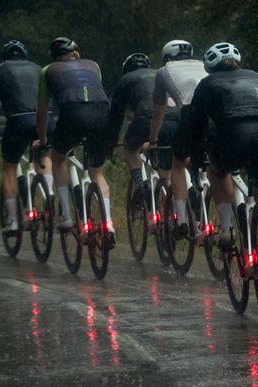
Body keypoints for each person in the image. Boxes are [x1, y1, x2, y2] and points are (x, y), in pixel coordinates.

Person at [190, 42, 258, 297]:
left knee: (218, 171)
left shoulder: (207, 84)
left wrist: (195, 153)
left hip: (233, 134)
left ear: (210, 68)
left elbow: (196, 126)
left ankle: (226, 229)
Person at [33, 37, 114, 243]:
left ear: (54, 57)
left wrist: (42, 139)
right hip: (102, 113)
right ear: (77, 53)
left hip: (72, 113)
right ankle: (109, 225)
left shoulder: (48, 70)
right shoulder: (94, 66)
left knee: (58, 159)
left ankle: (67, 216)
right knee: (96, 172)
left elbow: (42, 112)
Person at [0, 40, 55, 234]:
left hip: (18, 121)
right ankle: (49, 194)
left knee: (9, 167)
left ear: (4, 58)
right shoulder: (39, 69)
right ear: (24, 57)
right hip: (44, 119)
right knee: (44, 154)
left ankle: (13, 220)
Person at [142, 40, 208, 238]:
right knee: (217, 167)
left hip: (189, 117)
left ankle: (182, 221)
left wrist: (152, 141)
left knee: (177, 164)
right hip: (215, 119)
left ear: (167, 58)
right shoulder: (204, 66)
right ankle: (223, 223)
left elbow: (158, 113)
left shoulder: (164, 71)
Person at [107, 52, 179, 207]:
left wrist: (111, 143)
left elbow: (116, 116)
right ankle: (174, 209)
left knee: (130, 149)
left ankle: (140, 184)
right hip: (175, 120)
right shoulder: (162, 74)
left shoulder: (126, 79)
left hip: (146, 120)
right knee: (168, 167)